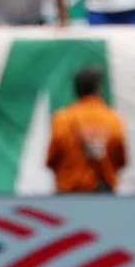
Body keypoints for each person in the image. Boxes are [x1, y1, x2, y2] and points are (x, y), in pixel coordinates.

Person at [46, 66, 126, 194]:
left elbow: (51, 160)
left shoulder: (62, 118)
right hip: (102, 194)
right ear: (97, 89)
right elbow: (121, 160)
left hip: (68, 194)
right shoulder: (113, 118)